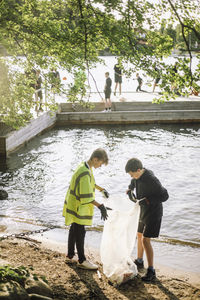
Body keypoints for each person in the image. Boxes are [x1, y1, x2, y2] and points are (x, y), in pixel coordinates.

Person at [63, 148, 109, 270]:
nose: (100, 166)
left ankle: (70, 254)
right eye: (100, 163)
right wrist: (101, 206)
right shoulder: (85, 173)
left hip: (73, 203)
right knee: (80, 231)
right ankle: (82, 260)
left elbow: (90, 183)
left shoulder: (84, 166)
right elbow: (86, 196)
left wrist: (101, 189)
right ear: (95, 159)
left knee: (74, 228)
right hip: (79, 206)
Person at [125, 158, 169, 282]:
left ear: (139, 170)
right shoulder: (136, 177)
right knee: (139, 235)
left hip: (154, 213)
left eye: (132, 174)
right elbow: (133, 182)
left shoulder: (152, 180)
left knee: (145, 240)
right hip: (142, 211)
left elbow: (165, 196)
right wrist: (130, 189)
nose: (132, 177)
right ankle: (139, 261)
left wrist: (148, 200)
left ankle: (151, 270)